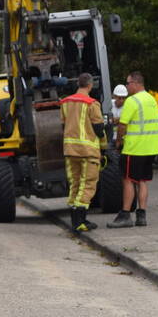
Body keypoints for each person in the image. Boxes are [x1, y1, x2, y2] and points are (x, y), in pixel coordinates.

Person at [108, 71, 158, 228]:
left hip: (134, 148)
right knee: (143, 181)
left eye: (128, 83)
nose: (126, 86)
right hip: (150, 148)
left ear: (136, 83)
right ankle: (141, 215)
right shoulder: (152, 100)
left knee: (128, 180)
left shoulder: (132, 101)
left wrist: (118, 143)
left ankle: (125, 215)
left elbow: (123, 125)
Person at [60, 73, 104, 232]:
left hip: (70, 150)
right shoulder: (92, 103)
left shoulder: (65, 103)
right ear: (90, 86)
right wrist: (104, 145)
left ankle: (76, 220)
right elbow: (99, 128)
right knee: (88, 185)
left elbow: (64, 125)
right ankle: (79, 221)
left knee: (75, 184)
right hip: (88, 151)